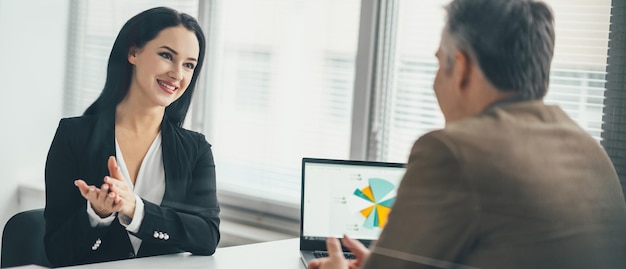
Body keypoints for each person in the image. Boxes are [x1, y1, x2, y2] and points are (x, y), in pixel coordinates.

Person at [309, 0, 626, 268]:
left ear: (461, 68)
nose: (434, 83)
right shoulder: (591, 153)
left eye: (438, 64)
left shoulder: (452, 152)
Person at [44, 7, 220, 267]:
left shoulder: (196, 149)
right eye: (166, 55)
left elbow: (207, 236)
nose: (178, 74)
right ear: (133, 52)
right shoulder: (74, 136)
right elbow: (57, 253)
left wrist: (137, 210)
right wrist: (98, 215)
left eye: (189, 65)